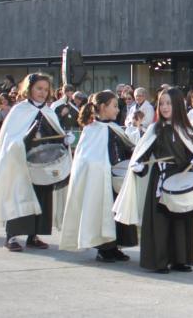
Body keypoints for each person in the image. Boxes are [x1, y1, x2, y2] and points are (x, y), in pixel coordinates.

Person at [112, 87, 193, 273]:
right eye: (161, 103)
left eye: (169, 103)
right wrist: (139, 166)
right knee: (160, 222)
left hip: (182, 179)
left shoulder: (186, 130)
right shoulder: (155, 129)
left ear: (178, 104)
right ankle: (158, 261)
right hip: (160, 180)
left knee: (181, 219)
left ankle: (180, 259)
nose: (165, 107)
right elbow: (143, 154)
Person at [0, 73, 74, 252]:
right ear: (29, 89)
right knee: (19, 197)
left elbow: (54, 136)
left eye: (45, 89)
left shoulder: (49, 111)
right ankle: (12, 236)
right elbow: (10, 139)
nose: (42, 92)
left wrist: (64, 140)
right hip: (22, 164)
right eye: (38, 89)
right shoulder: (20, 111)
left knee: (42, 197)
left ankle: (33, 235)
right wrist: (22, 141)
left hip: (43, 165)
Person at [59, 91, 138, 262]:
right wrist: (100, 167)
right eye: (114, 106)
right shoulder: (91, 130)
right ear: (102, 107)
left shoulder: (115, 128)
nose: (118, 110)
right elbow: (85, 159)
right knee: (102, 213)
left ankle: (115, 246)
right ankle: (104, 249)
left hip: (116, 179)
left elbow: (126, 147)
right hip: (100, 180)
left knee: (117, 215)